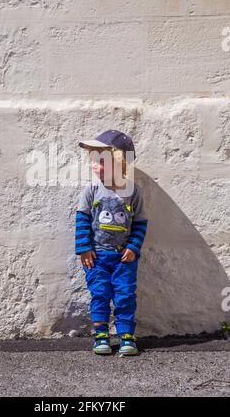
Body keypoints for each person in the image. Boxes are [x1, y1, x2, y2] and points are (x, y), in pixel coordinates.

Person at [75, 130, 148, 356]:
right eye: (95, 161)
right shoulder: (92, 190)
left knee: (125, 295)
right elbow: (82, 220)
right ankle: (101, 336)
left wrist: (134, 247)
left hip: (124, 258)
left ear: (119, 163)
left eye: (101, 162)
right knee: (100, 294)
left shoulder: (133, 191)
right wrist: (84, 248)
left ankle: (126, 336)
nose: (95, 167)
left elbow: (140, 223)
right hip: (97, 258)